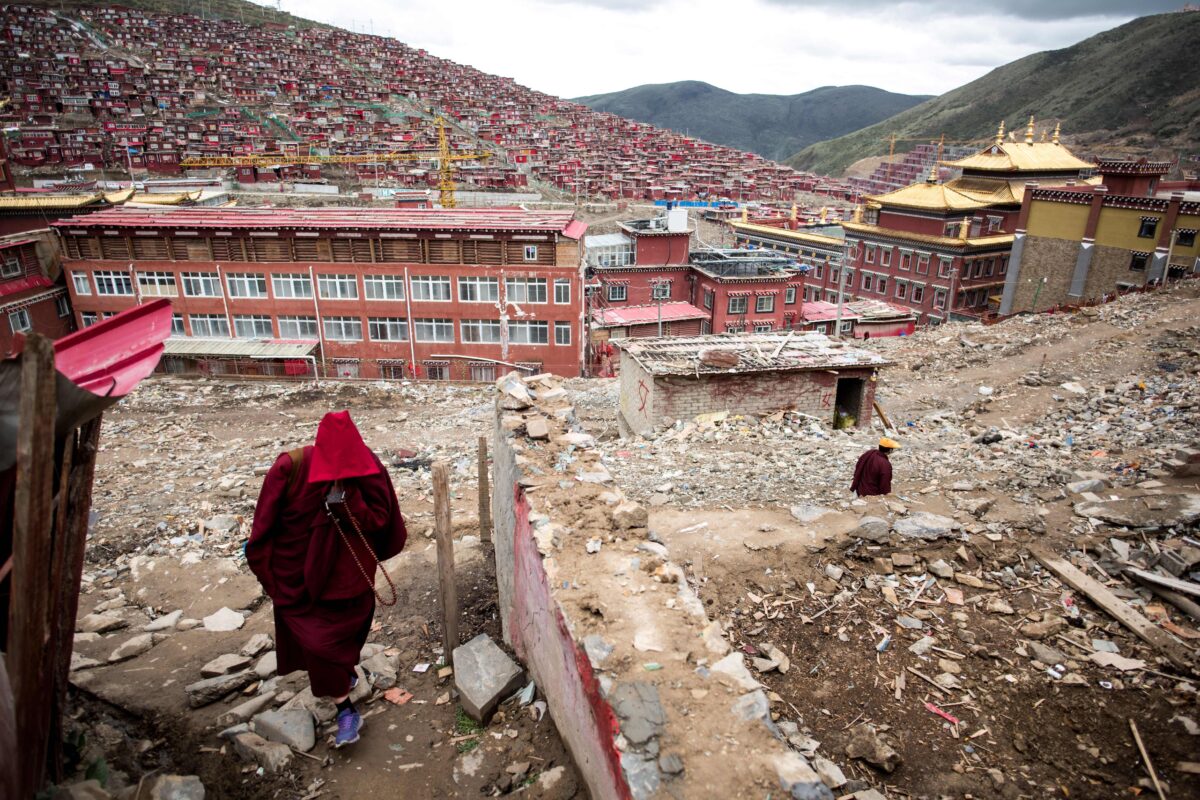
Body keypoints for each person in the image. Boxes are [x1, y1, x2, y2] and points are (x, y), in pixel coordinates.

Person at [247, 410, 406, 748]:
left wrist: (350, 503)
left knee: (347, 640)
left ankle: (344, 673)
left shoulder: (367, 467)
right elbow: (263, 531)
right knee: (319, 645)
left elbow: (382, 520)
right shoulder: (289, 468)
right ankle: (345, 710)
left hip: (350, 579)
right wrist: (273, 583)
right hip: (299, 583)